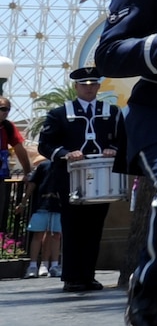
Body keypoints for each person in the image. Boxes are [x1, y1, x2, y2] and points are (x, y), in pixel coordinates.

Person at [37, 65, 125, 292]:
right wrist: (66, 153)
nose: (89, 88)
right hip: (70, 180)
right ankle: (71, 277)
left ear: (99, 85)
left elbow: (123, 140)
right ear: (76, 87)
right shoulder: (59, 114)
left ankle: (88, 276)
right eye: (84, 85)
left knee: (94, 229)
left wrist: (113, 149)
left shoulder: (112, 112)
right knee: (73, 228)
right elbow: (45, 145)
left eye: (93, 84)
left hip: (101, 181)